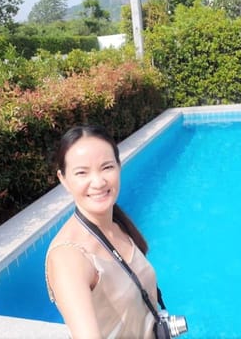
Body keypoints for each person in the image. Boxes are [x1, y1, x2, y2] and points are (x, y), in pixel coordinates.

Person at [45, 125, 158, 338]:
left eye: (107, 167)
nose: (98, 182)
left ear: (119, 166)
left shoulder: (118, 225)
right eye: (81, 172)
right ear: (63, 179)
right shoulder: (69, 257)